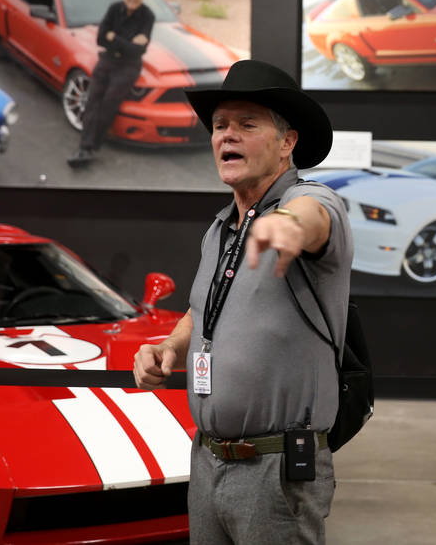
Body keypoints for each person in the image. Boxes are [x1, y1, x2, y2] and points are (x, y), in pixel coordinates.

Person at [132, 59, 352, 544]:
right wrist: (170, 346)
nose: (227, 136)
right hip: (208, 459)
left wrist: (290, 226)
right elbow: (204, 308)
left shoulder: (313, 198)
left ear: (287, 142)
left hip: (276, 468)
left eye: (247, 124)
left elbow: (315, 216)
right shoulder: (220, 230)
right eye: (220, 126)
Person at [67, 0, 155, 167]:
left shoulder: (148, 16)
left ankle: (91, 146)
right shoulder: (115, 8)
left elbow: (138, 51)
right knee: (92, 101)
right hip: (107, 60)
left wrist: (114, 37)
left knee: (108, 103)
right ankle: (85, 147)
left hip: (128, 66)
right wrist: (128, 42)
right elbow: (100, 38)